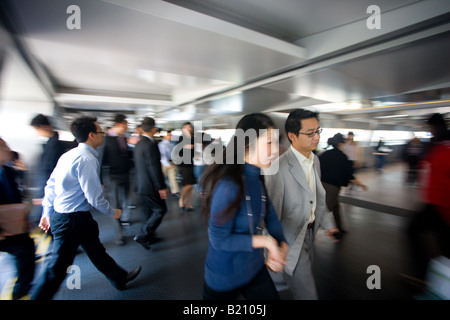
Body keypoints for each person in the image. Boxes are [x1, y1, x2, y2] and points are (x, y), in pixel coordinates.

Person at [31, 116, 142, 300]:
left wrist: (46, 212)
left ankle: (119, 278)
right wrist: (112, 212)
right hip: (71, 219)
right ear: (91, 135)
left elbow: (50, 186)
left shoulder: (68, 155)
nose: (103, 135)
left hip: (73, 216)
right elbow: (94, 197)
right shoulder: (87, 159)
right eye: (100, 132)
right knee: (57, 268)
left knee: (96, 250)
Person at [199, 113, 288, 300]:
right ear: (248, 144)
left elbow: (269, 214)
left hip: (253, 268)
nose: (276, 150)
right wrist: (267, 242)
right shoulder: (229, 185)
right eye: (269, 143)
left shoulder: (257, 177)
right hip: (223, 276)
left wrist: (282, 244)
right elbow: (219, 240)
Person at [264, 108, 339, 300]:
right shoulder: (278, 168)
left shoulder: (315, 161)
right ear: (292, 135)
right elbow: (270, 212)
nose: (316, 137)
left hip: (309, 233)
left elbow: (318, 197)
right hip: (289, 239)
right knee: (307, 293)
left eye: (318, 131)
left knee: (295, 283)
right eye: (310, 133)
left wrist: (328, 225)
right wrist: (271, 247)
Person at [406, 113, 450, 283]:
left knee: (413, 230)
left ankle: (425, 276)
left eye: (430, 128)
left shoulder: (444, 148)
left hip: (440, 205)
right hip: (437, 203)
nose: (430, 132)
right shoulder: (440, 145)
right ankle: (432, 278)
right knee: (444, 244)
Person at [0, 138, 36, 300]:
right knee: (24, 250)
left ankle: (22, 287)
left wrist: (23, 219)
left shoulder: (6, 171)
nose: (9, 150)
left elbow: (16, 198)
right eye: (5, 147)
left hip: (12, 225)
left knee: (25, 249)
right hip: (3, 229)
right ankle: (20, 289)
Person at [319, 133, 368, 232]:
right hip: (333, 187)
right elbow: (349, 175)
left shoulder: (324, 154)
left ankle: (339, 227)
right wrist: (360, 184)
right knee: (326, 210)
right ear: (341, 143)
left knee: (336, 206)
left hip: (321, 184)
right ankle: (309, 229)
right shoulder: (342, 157)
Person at [133, 117, 169, 250]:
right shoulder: (151, 144)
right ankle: (142, 235)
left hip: (140, 184)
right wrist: (161, 187)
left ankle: (150, 236)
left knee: (147, 212)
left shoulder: (139, 143)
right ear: (153, 129)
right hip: (150, 185)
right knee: (160, 210)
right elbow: (154, 168)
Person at [98, 113, 134, 245]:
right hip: (113, 176)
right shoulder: (106, 139)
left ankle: (123, 220)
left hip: (125, 174)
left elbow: (126, 156)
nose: (127, 127)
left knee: (126, 201)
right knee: (115, 205)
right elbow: (101, 160)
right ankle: (120, 234)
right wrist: (100, 180)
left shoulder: (123, 138)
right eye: (125, 124)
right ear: (118, 124)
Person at [174, 122, 196, 211]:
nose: (188, 129)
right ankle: (181, 198)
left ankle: (188, 203)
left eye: (189, 127)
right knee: (189, 184)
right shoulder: (181, 138)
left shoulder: (193, 138)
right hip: (184, 164)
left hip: (191, 163)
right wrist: (186, 147)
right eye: (186, 127)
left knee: (190, 183)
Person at [158, 130, 180, 197]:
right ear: (164, 136)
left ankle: (175, 191)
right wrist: (167, 164)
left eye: (171, 135)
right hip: (164, 163)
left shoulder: (171, 144)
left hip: (171, 161)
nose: (170, 136)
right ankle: (160, 190)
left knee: (173, 177)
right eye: (169, 135)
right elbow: (162, 155)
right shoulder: (161, 144)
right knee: (162, 177)